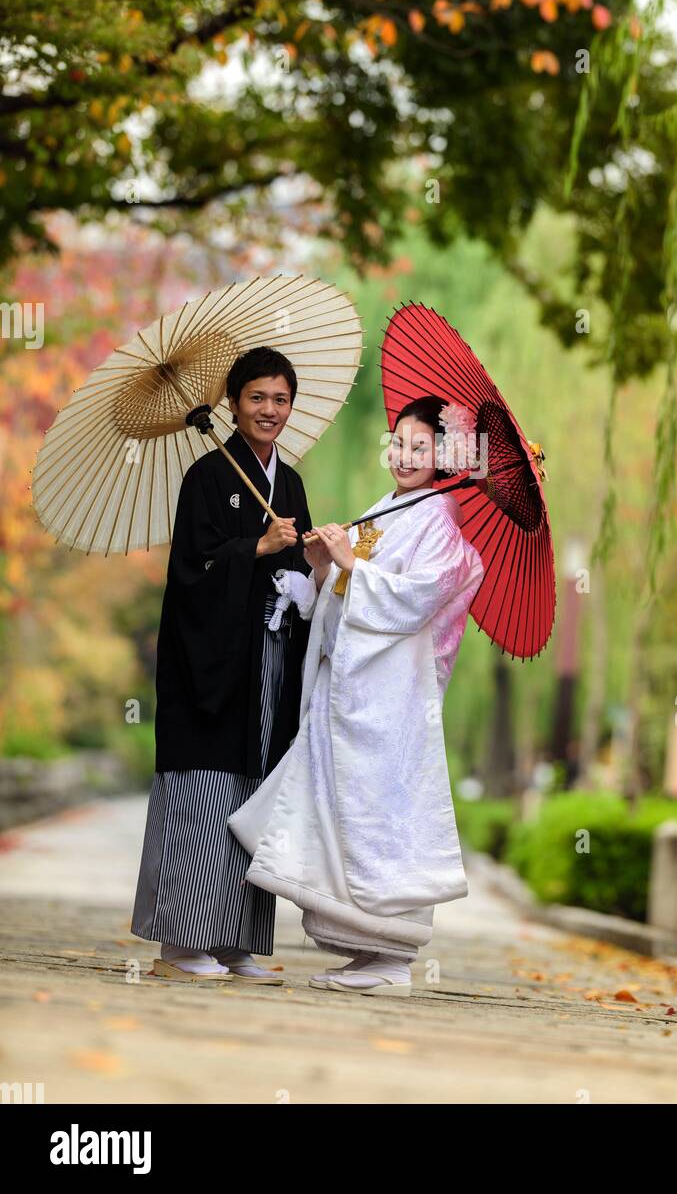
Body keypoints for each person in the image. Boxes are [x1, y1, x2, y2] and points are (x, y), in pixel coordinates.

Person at [227, 394, 486, 996]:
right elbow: (347, 593)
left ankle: (392, 957)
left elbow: (413, 601)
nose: (404, 455)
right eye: (398, 442)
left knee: (382, 815)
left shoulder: (440, 522)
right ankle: (364, 952)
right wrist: (324, 567)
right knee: (343, 810)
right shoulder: (389, 510)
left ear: (445, 455)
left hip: (396, 696)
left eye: (421, 446)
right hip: (356, 690)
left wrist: (351, 566)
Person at [131, 346, 314, 983]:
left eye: (281, 399)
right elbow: (188, 575)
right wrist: (254, 547)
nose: (270, 410)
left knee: (253, 791)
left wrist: (303, 576)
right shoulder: (208, 478)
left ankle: (234, 940)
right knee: (205, 792)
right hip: (207, 666)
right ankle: (181, 945)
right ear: (233, 404)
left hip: (266, 662)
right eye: (257, 397)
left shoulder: (287, 484)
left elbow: (298, 573)